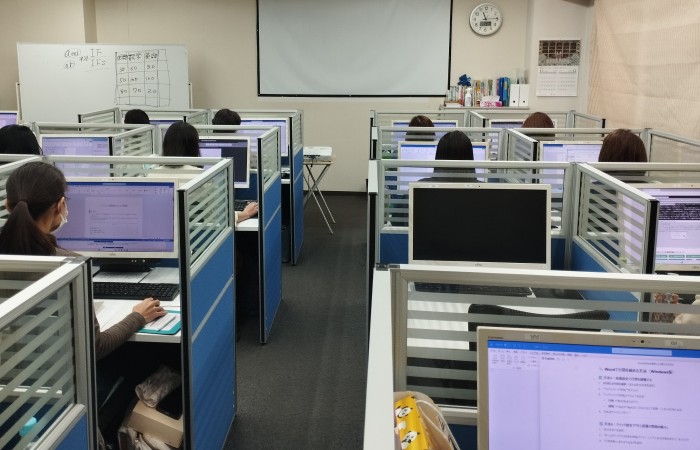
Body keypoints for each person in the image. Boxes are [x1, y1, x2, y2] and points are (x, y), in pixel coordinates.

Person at [160, 122, 258, 222]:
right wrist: (246, 213)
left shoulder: (153, 174)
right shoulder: (202, 177)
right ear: (194, 147)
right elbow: (219, 218)